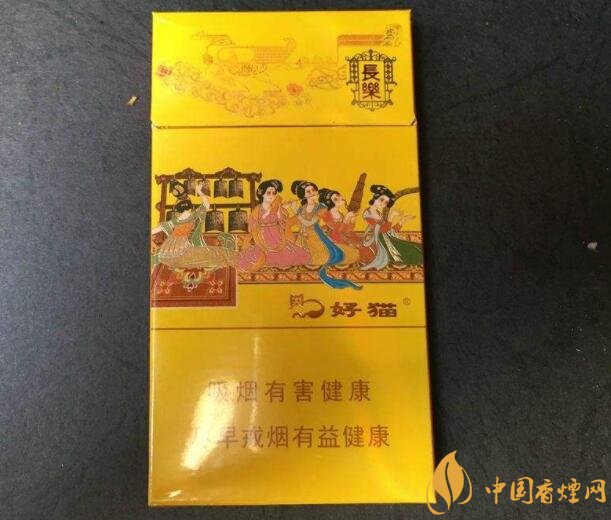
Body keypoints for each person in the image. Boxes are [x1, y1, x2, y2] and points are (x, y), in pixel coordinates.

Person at [151, 180, 238, 270]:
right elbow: (206, 205)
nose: (185, 213)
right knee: (217, 254)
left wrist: (199, 191)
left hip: (171, 255)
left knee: (216, 254)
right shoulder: (190, 217)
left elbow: (155, 230)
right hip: (182, 253)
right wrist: (199, 192)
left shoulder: (178, 220)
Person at [290, 180, 360, 289]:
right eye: (308, 191)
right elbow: (301, 223)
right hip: (303, 237)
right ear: (303, 195)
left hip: (316, 236)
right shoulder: (302, 207)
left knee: (343, 254)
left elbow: (309, 223)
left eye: (313, 190)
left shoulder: (321, 207)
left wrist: (295, 211)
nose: (312, 192)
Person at [236, 179, 310, 271]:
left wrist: (281, 210)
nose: (271, 195)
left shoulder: (277, 207)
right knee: (257, 256)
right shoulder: (258, 209)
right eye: (268, 193)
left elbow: (283, 222)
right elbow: (252, 224)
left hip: (277, 237)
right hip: (263, 238)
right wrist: (267, 215)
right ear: (262, 194)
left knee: (296, 255)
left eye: (274, 193)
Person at [361, 184, 423, 270]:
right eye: (381, 199)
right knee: (415, 252)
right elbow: (382, 230)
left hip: (386, 238)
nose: (383, 203)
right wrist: (391, 216)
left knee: (419, 247)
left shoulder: (379, 213)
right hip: (378, 242)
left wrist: (402, 220)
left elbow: (389, 230)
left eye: (386, 202)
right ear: (375, 197)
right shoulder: (368, 213)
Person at [318, 188, 364, 266]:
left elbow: (348, 229)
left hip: (344, 235)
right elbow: (337, 231)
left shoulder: (339, 212)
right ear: (330, 203)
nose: (340, 198)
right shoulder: (327, 215)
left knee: (361, 244)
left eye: (338, 195)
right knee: (353, 249)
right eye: (335, 199)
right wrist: (346, 219)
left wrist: (352, 219)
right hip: (334, 237)